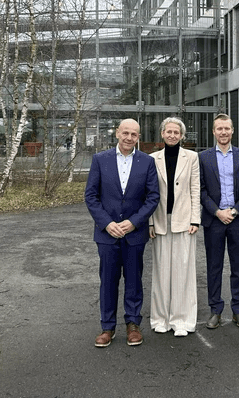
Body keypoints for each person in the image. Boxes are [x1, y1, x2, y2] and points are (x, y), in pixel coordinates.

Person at [85, 118, 160, 348]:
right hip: (107, 234)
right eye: (125, 133)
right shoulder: (100, 159)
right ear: (117, 133)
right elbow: (91, 196)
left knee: (134, 280)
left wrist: (134, 222)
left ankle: (133, 324)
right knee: (108, 281)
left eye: (134, 134)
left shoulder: (147, 162)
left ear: (138, 137)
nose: (129, 138)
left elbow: (153, 197)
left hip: (134, 233)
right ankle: (107, 327)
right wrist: (107, 224)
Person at [149, 117, 201, 337]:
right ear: (162, 133)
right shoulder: (152, 159)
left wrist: (195, 219)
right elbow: (149, 193)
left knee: (183, 272)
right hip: (160, 220)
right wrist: (150, 222)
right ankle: (160, 318)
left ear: (182, 136)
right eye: (168, 131)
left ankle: (181, 320)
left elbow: (195, 189)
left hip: (184, 220)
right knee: (161, 272)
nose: (172, 135)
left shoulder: (192, 157)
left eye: (176, 132)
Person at [199, 114, 239, 330]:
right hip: (214, 220)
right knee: (214, 267)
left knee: (238, 266)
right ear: (214, 131)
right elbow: (201, 190)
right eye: (219, 129)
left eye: (227, 128)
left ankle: (238, 310)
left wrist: (236, 210)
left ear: (232, 130)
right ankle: (215, 310)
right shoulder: (203, 158)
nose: (223, 132)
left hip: (238, 219)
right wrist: (217, 212)